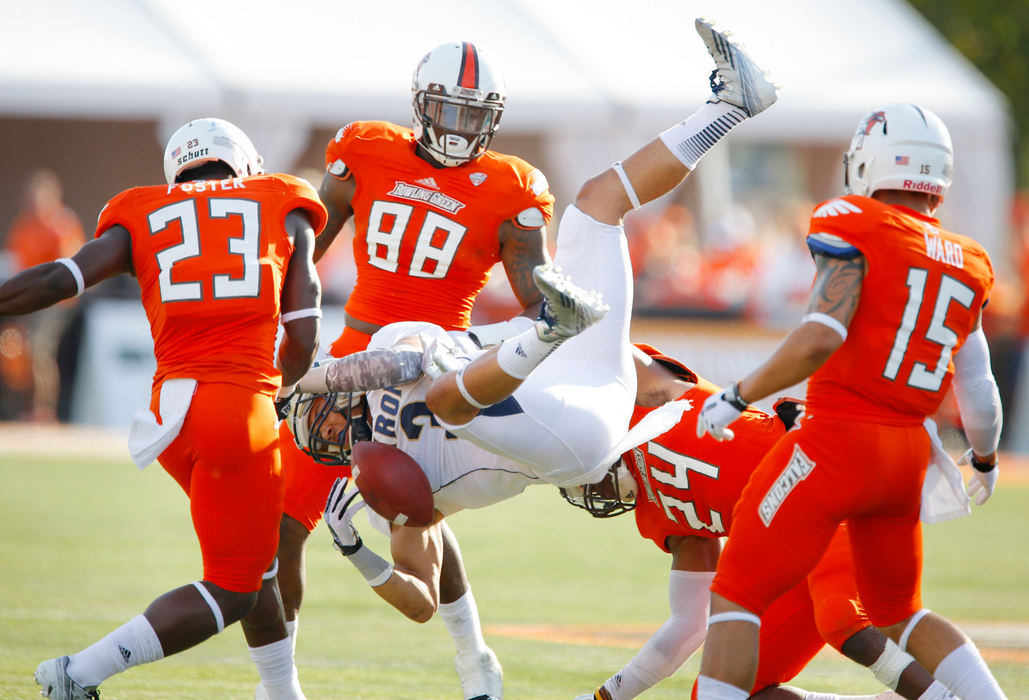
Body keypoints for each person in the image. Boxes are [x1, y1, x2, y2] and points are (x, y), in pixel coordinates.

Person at [283, 14, 777, 684]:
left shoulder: (394, 451)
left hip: (563, 385)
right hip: (561, 429)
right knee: (448, 391)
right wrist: (349, 539)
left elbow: (392, 366)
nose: (458, 128)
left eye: (331, 417)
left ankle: (727, 106)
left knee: (595, 207)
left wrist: (303, 381)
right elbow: (419, 597)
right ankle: (553, 327)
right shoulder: (394, 483)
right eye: (334, 427)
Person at [0, 117, 326, 700]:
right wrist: (279, 394)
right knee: (234, 587)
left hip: (170, 412)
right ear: (245, 163)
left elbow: (63, 278)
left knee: (257, 560)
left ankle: (282, 692)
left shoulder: (141, 210)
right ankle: (79, 675)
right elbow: (302, 331)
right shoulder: (283, 197)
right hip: (238, 408)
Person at [269, 40, 556, 700]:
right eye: (446, 111)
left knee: (415, 513)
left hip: (432, 371)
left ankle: (472, 655)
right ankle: (278, 687)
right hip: (351, 356)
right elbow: (304, 252)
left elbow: (538, 301)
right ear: (420, 105)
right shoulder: (365, 150)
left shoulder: (512, 187)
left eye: (472, 114)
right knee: (285, 524)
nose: (458, 128)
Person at [692, 104, 1007, 700]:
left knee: (738, 591)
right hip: (908, 455)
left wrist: (738, 395)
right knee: (900, 613)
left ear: (869, 164)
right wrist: (985, 460)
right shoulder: (969, 261)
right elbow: (981, 392)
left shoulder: (854, 222)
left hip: (836, 440)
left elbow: (821, 335)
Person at [567, 344, 962, 700]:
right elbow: (687, 625)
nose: (589, 494)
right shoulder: (660, 517)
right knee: (725, 692)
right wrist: (606, 698)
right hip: (792, 552)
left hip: (818, 476)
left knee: (842, 619)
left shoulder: (645, 394)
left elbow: (610, 341)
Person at [2, 169, 86, 421]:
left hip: (55, 300)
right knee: (16, 348)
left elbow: (68, 270)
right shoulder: (24, 227)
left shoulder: (61, 224)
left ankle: (44, 410)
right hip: (31, 298)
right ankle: (23, 407)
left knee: (40, 349)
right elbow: (18, 268)